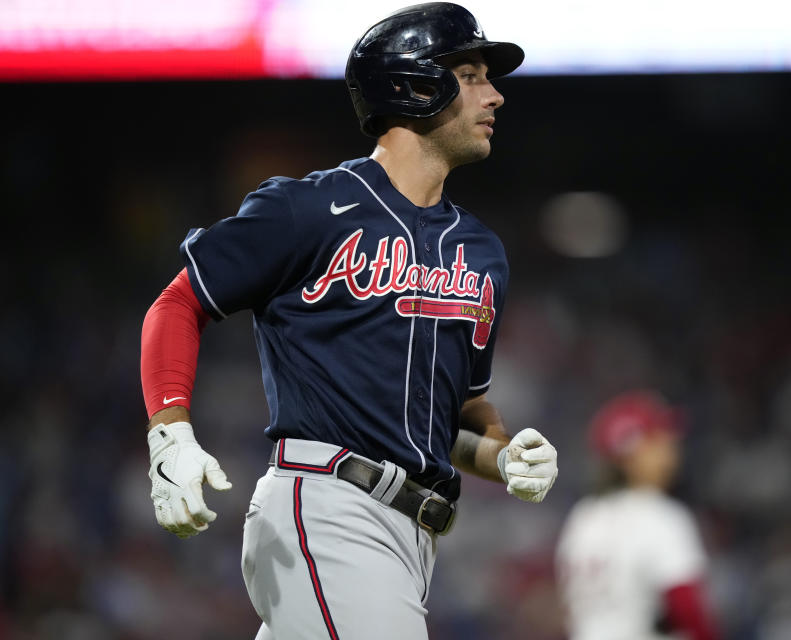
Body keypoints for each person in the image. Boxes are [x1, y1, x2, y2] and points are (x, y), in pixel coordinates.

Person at [138, 4, 559, 639]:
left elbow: (456, 418)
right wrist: (170, 432)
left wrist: (502, 457)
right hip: (329, 507)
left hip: (413, 538)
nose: (495, 94)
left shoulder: (481, 251)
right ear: (413, 83)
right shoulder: (307, 209)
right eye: (471, 74)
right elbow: (178, 302)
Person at [555, 391, 718, 640]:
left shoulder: (582, 518)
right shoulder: (660, 516)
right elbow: (687, 608)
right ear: (631, 454)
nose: (671, 446)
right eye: (659, 439)